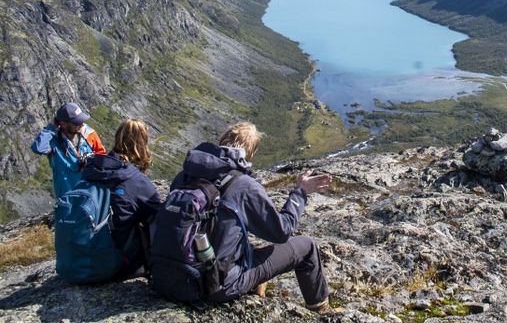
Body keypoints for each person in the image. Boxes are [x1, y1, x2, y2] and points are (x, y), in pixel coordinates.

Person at [167, 121, 337, 313]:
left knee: (243, 245)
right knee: (306, 247)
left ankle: (258, 284)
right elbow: (282, 231)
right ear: (251, 153)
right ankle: (321, 308)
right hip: (217, 286)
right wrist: (301, 192)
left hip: (170, 277)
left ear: (222, 142)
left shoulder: (183, 176)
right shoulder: (243, 185)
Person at [81, 118, 162, 278]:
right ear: (142, 144)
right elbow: (159, 216)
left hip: (85, 258)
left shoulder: (93, 169)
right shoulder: (137, 181)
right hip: (121, 265)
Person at [31, 102, 106, 199]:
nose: (81, 124)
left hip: (91, 197)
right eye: (77, 122)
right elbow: (38, 148)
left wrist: (92, 164)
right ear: (63, 124)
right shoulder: (54, 141)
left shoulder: (89, 133)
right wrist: (51, 127)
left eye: (81, 120)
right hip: (67, 199)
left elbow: (103, 157)